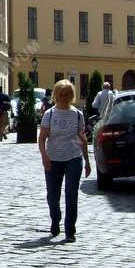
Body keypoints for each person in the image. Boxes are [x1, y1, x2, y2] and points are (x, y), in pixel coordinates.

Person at [38, 80, 91, 242]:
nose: (64, 97)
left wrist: (87, 161)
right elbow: (42, 138)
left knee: (71, 194)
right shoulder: (50, 114)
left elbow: (82, 138)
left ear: (71, 96)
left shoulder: (77, 114)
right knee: (52, 196)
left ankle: (70, 230)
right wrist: (44, 156)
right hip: (53, 159)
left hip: (73, 158)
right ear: (56, 95)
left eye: (67, 94)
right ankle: (55, 219)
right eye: (61, 94)